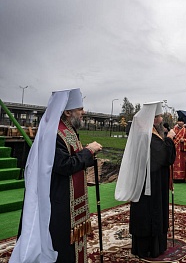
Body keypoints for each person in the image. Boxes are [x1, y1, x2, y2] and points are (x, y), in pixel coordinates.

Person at [11, 88, 103, 263]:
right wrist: (88, 152)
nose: (83, 112)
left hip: (71, 200)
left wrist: (90, 155)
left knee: (73, 244)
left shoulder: (69, 130)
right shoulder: (54, 134)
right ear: (67, 112)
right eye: (80, 109)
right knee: (61, 244)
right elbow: (64, 165)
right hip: (59, 200)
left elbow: (75, 158)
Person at [115, 101, 176, 258]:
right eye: (160, 116)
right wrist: (169, 139)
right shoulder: (146, 134)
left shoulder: (149, 132)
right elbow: (164, 157)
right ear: (154, 118)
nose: (162, 119)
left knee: (148, 210)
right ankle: (149, 248)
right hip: (150, 183)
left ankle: (152, 245)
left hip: (151, 179)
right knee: (150, 212)